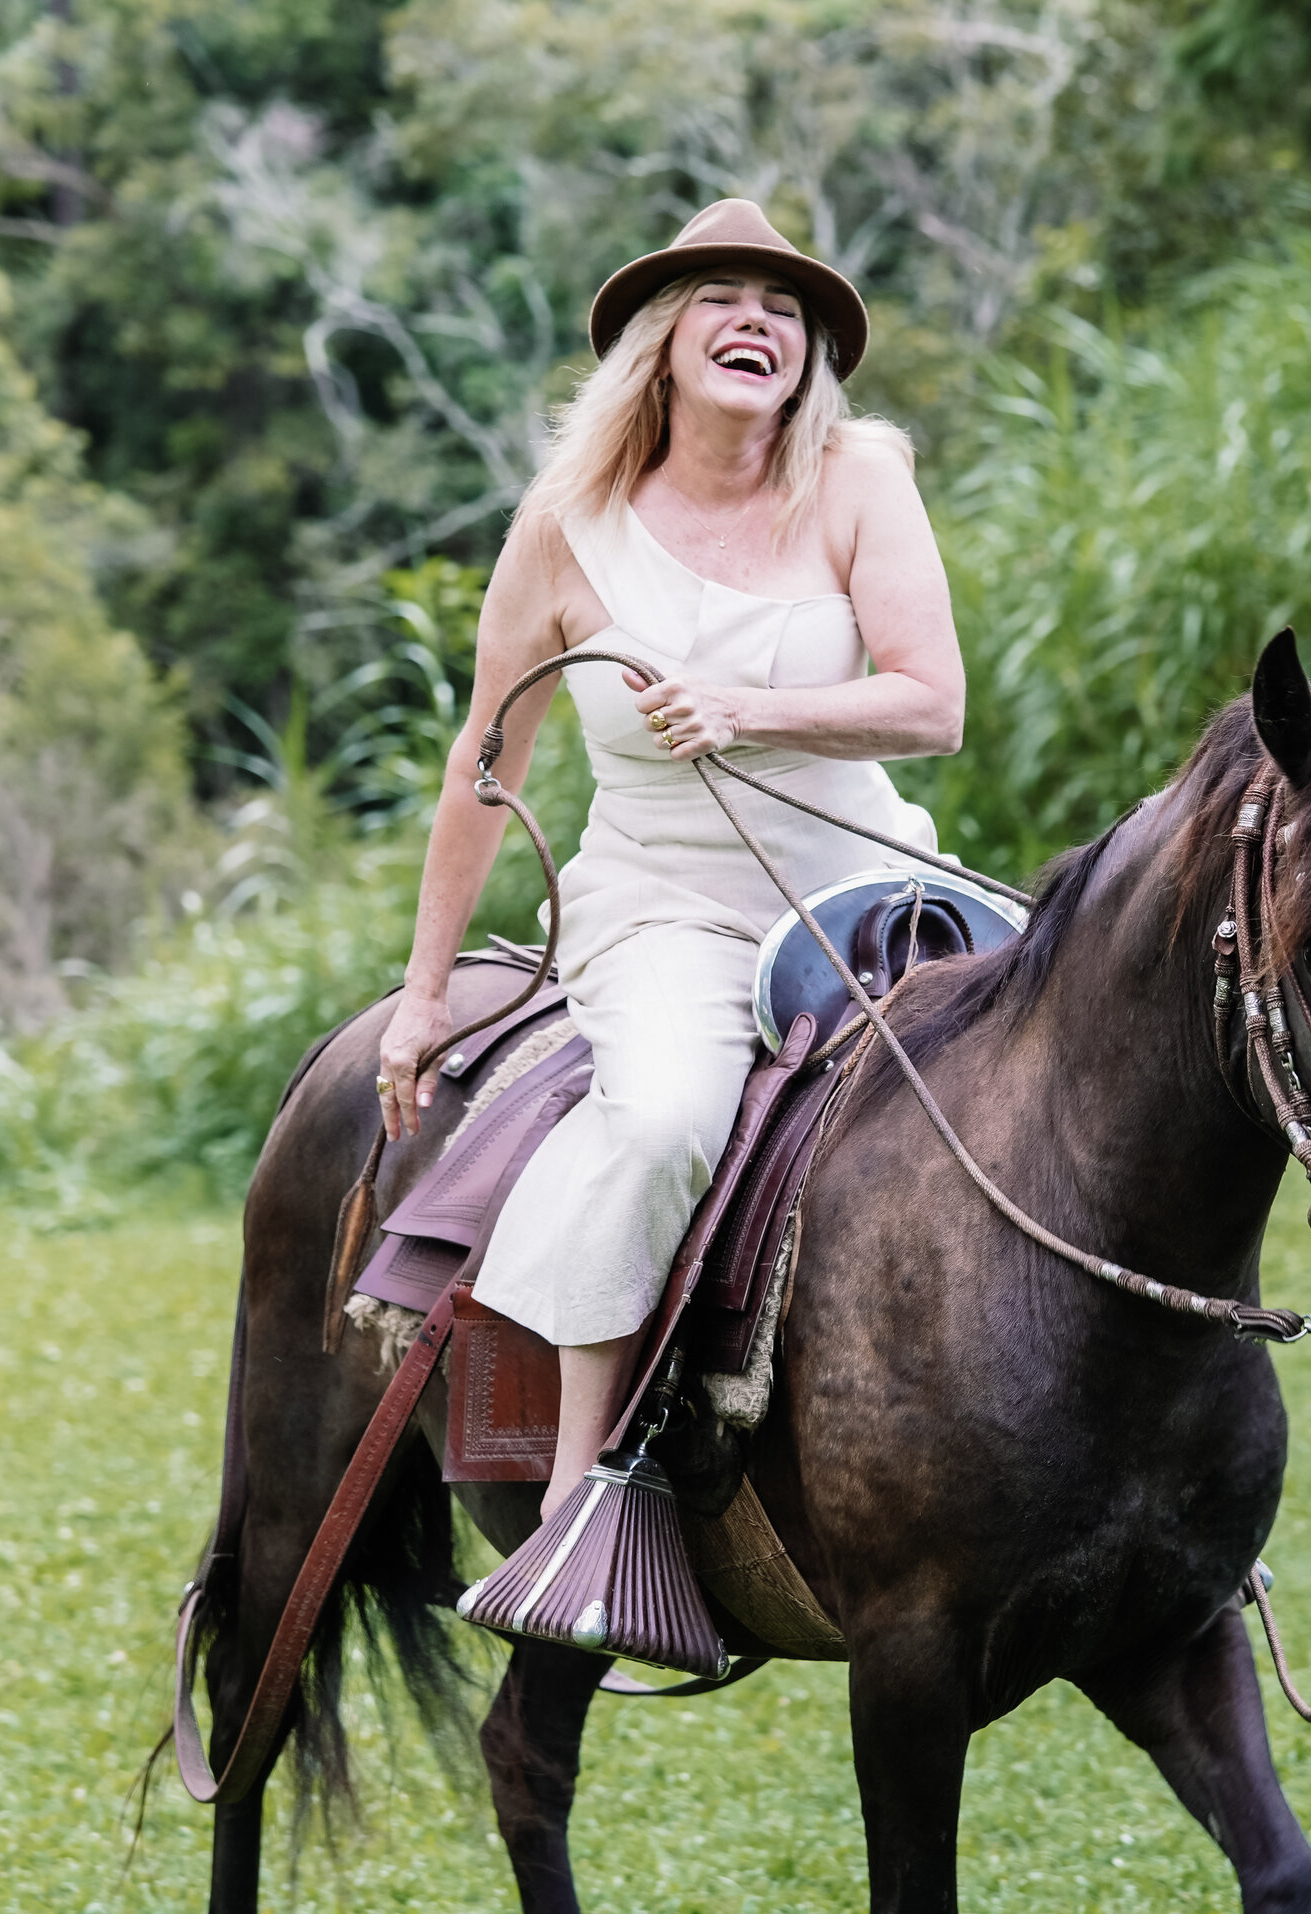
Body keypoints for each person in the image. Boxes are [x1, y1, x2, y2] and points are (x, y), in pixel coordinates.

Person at [372, 199, 965, 1523]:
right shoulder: (566, 526)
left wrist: (748, 705)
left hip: (867, 892)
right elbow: (489, 762)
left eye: (785, 306)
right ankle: (587, 1500)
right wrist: (420, 995)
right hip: (670, 909)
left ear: (806, 355)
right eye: (722, 296)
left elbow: (934, 702)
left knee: (1065, 1070)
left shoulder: (861, 475)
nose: (757, 320)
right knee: (662, 1124)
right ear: (660, 338)